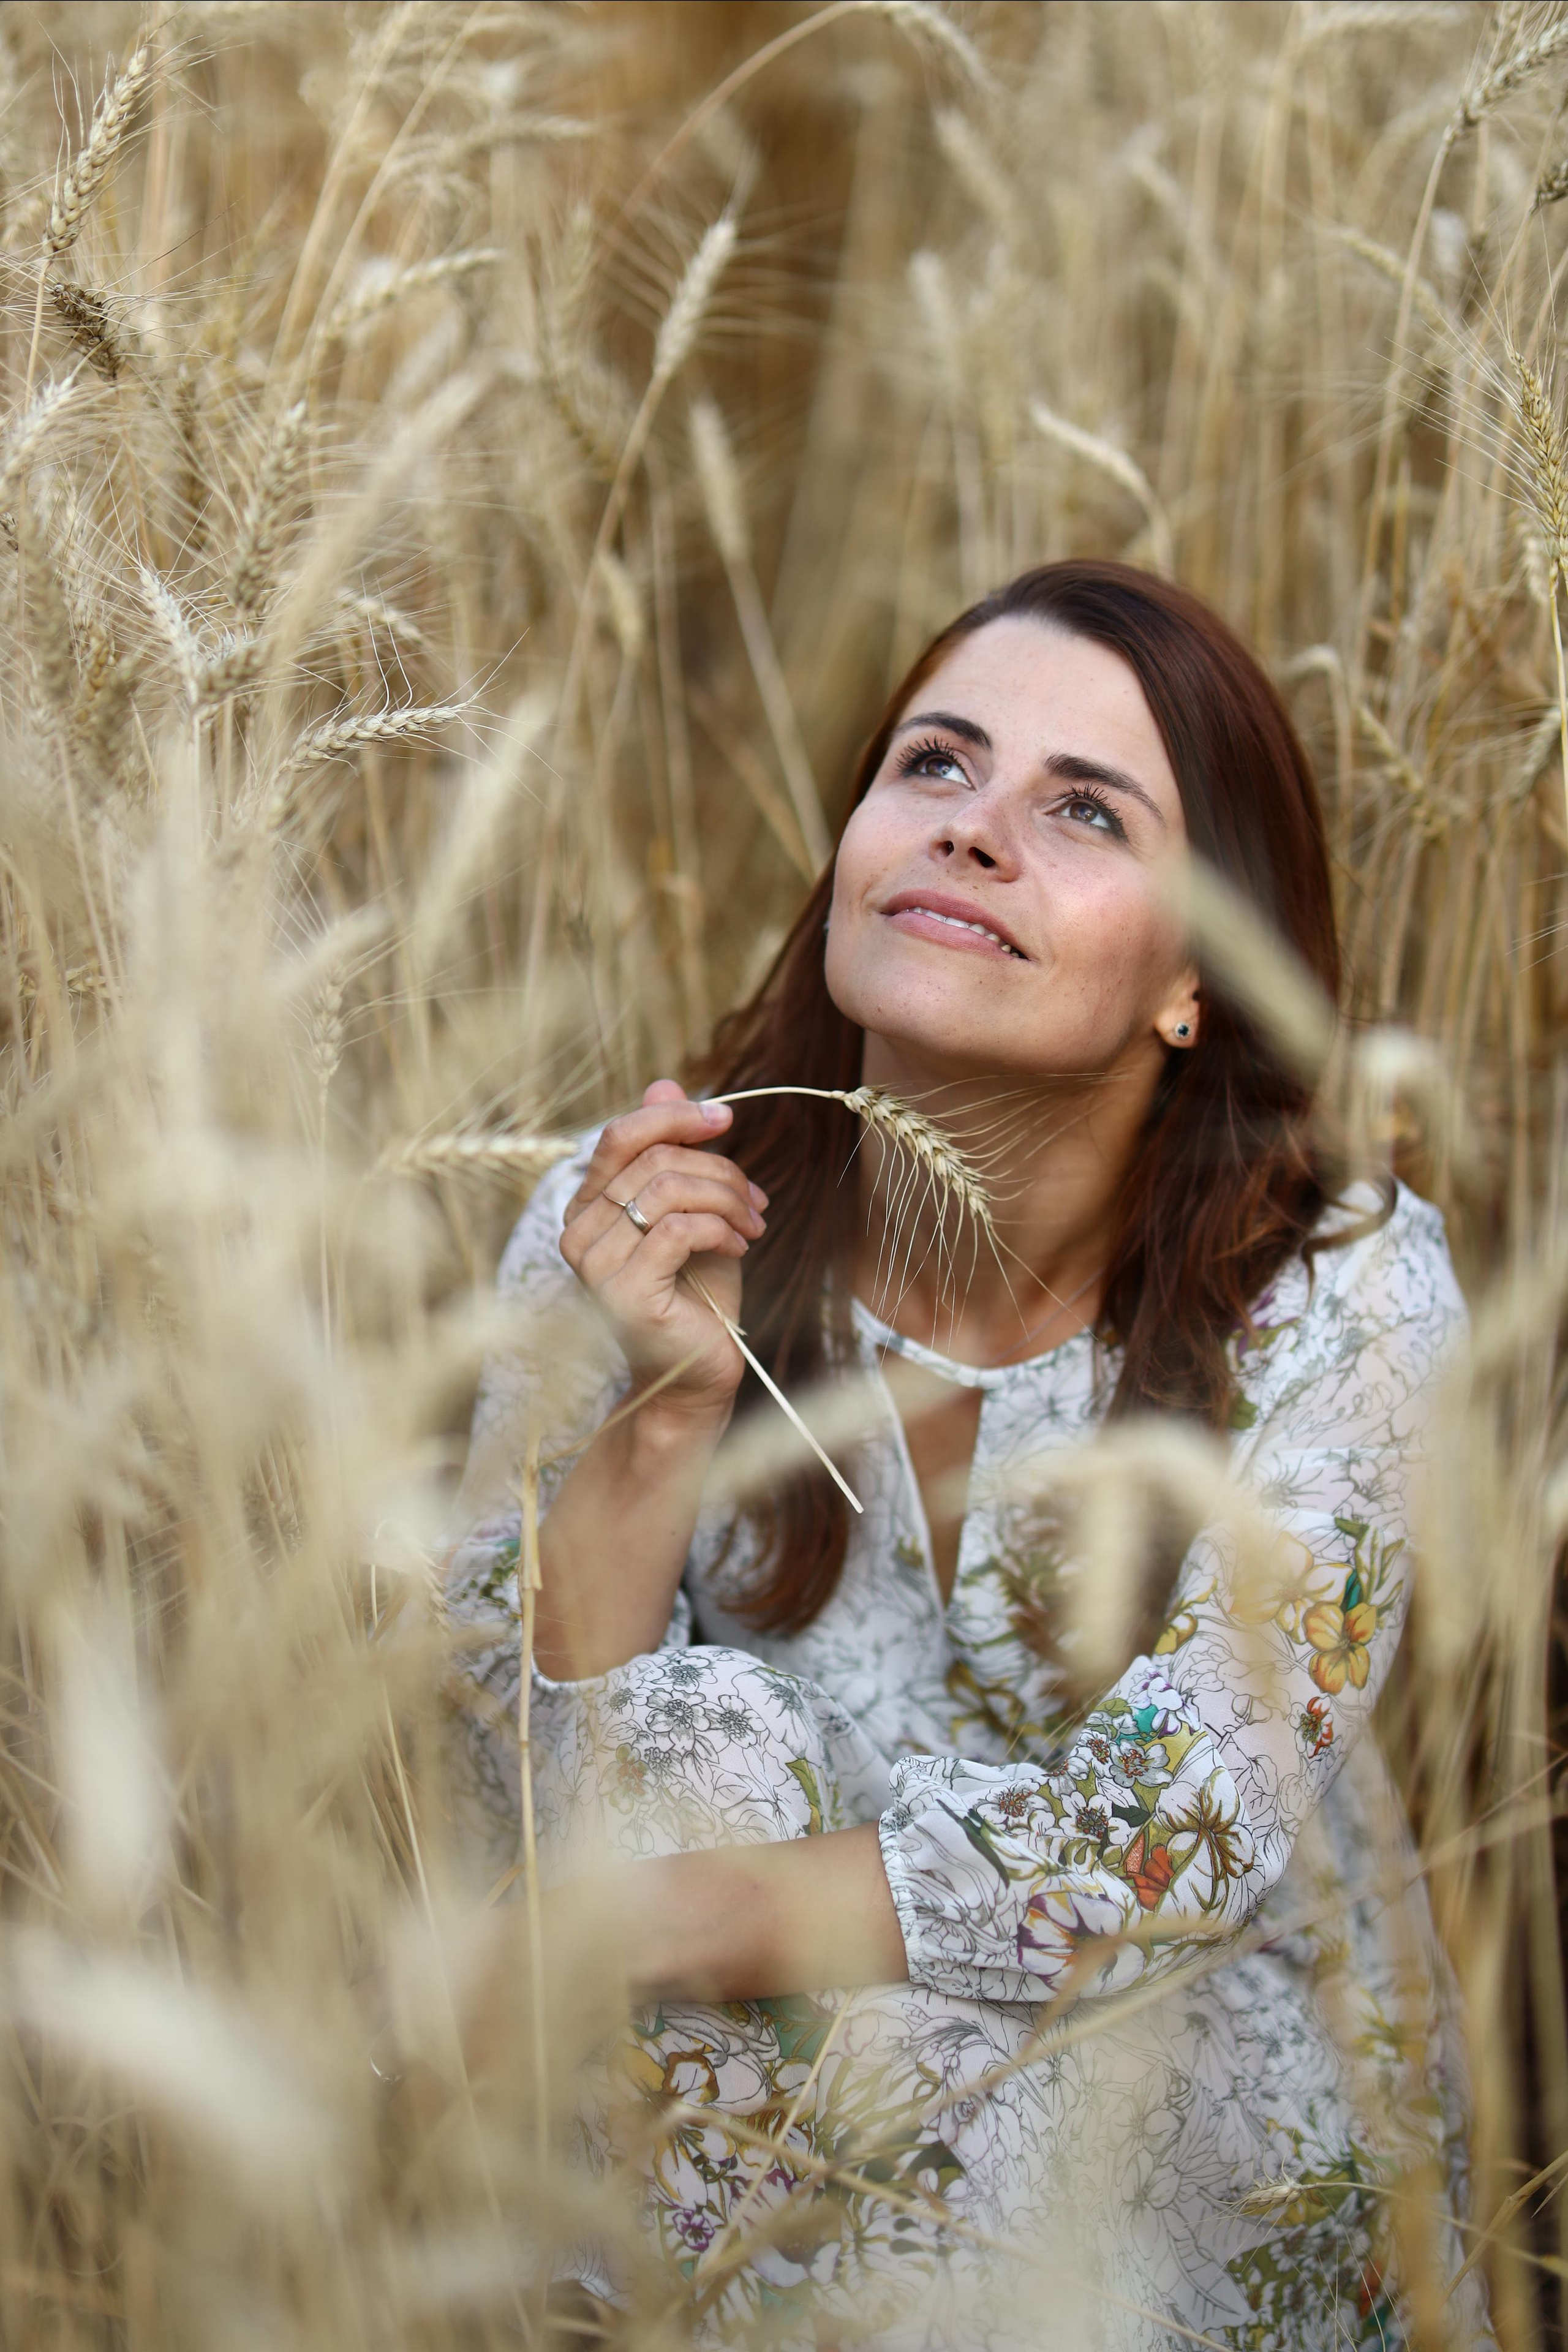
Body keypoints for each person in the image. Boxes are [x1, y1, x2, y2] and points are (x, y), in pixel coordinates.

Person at [447, 562, 1492, 2350]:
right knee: (689, 1735)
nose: (973, 829)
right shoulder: (630, 1222)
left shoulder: (1344, 1291)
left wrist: (659, 1925)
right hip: (730, 2132)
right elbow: (507, 1784)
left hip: (1181, 2141)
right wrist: (666, 1415)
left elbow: (1169, 1835)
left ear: (1198, 976)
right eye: (934, 764)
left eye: (1085, 811)